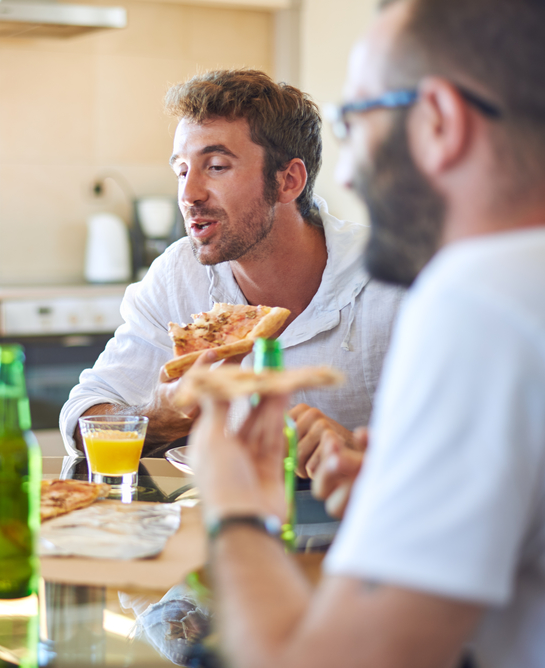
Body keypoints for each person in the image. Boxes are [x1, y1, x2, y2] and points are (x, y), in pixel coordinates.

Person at [190, 0, 545, 666]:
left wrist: (236, 507)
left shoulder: (487, 300)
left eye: (356, 121)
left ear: (440, 122)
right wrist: (410, 504)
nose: (344, 174)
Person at [59, 68, 405, 459]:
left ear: (288, 180)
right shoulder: (178, 275)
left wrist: (365, 458)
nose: (189, 194)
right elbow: (83, 417)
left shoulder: (397, 280)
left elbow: (477, 449)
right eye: (182, 170)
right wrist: (162, 415)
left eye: (217, 167)